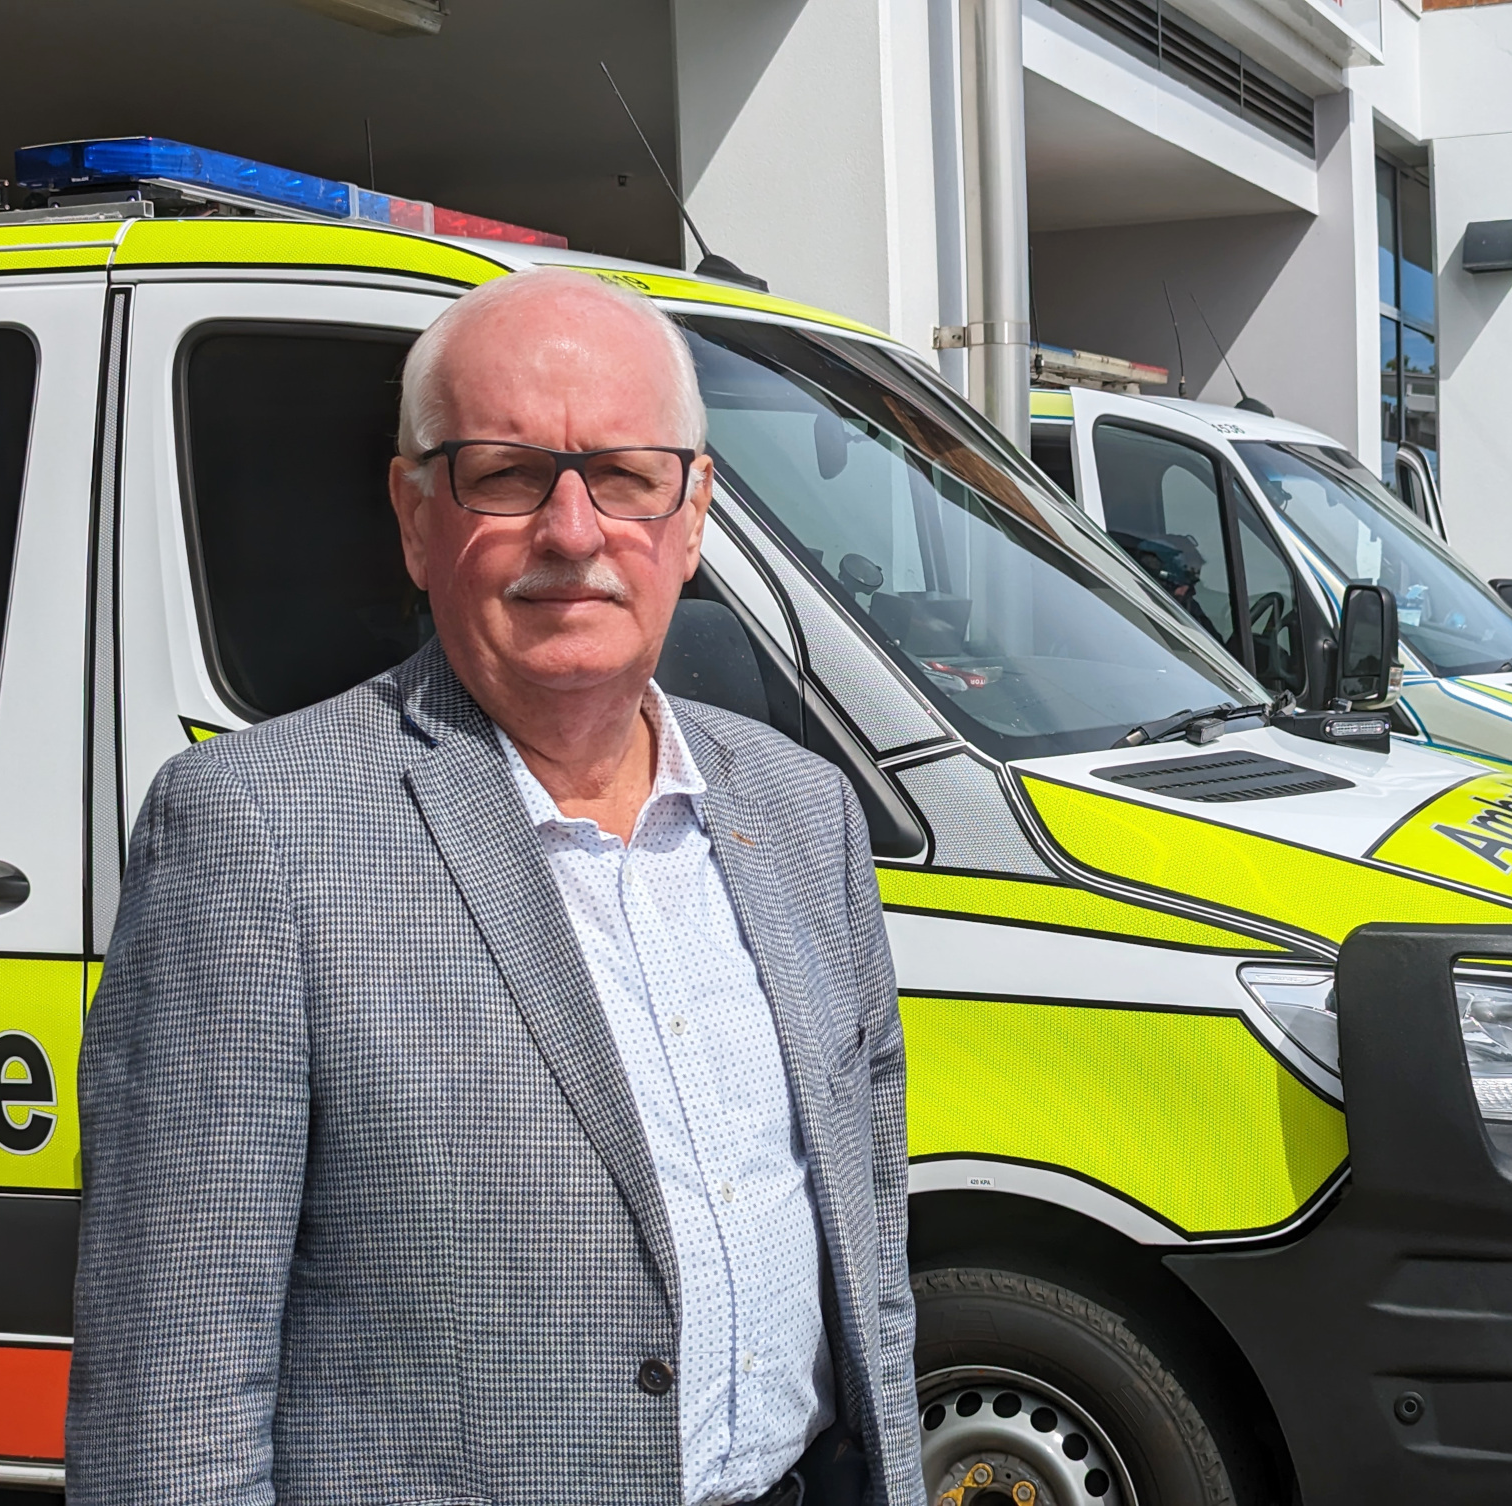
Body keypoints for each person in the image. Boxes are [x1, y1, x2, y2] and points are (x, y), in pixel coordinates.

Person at [67, 269, 920, 1506]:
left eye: (626, 475)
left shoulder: (804, 813)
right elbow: (175, 1389)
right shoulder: (252, 833)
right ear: (416, 518)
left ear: (691, 517)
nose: (574, 533)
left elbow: (872, 1238)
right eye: (507, 474)